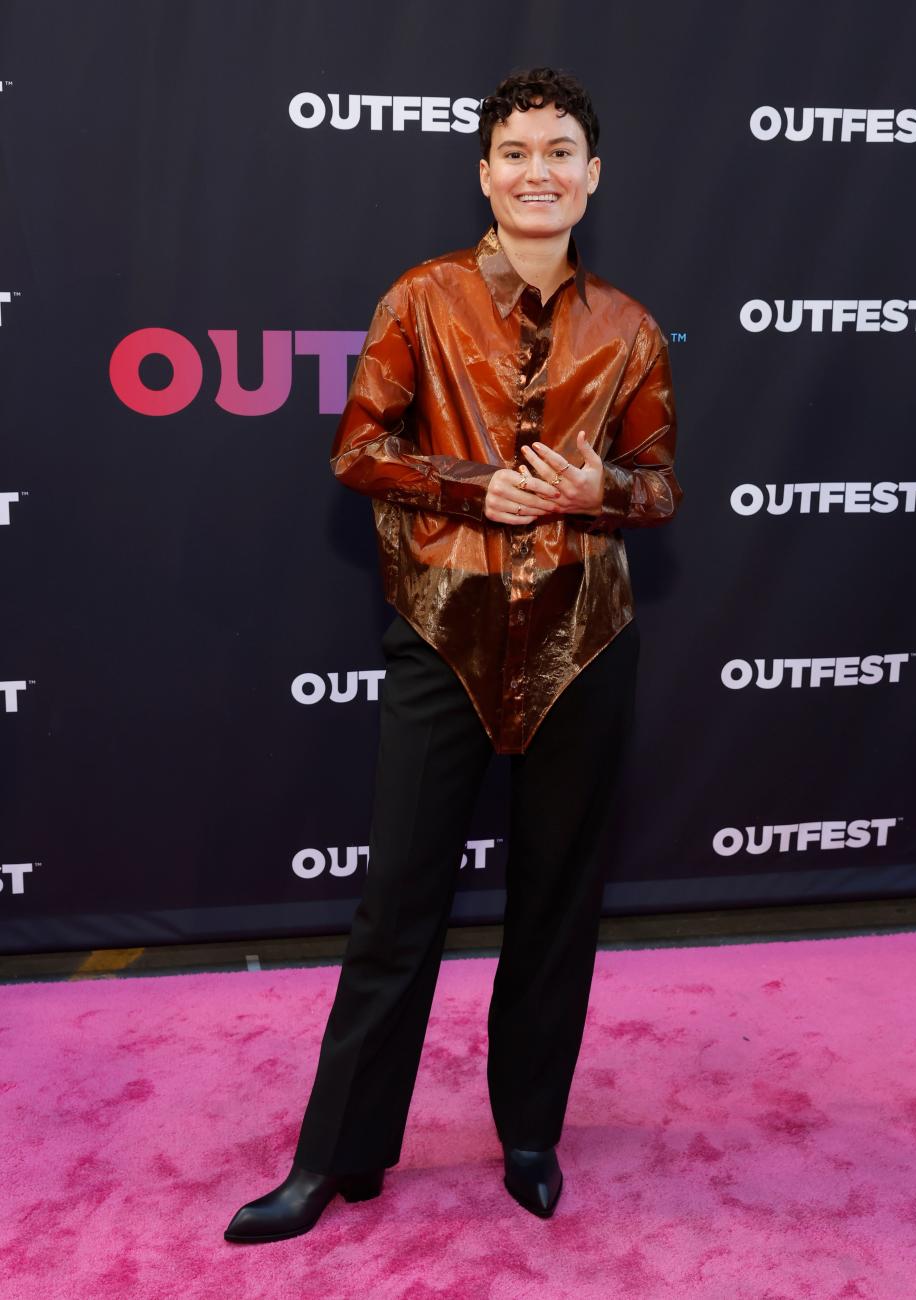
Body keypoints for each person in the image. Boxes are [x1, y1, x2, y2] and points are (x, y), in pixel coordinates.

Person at [225, 65, 682, 1245]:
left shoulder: (629, 327)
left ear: (593, 176)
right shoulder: (422, 300)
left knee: (557, 901)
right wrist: (488, 487)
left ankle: (529, 1133)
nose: (540, 171)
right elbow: (358, 448)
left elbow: (664, 484)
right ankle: (337, 1157)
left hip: (587, 639)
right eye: (517, 151)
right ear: (484, 172)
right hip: (444, 630)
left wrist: (602, 489)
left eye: (561, 152)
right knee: (397, 907)